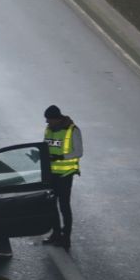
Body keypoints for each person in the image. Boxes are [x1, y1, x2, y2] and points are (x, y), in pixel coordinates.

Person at [40, 105, 82, 252]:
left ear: (57, 119)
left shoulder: (72, 130)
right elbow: (45, 148)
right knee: (51, 205)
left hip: (65, 174)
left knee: (64, 206)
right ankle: (56, 233)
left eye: (49, 120)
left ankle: (66, 238)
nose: (47, 123)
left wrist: (60, 157)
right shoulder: (48, 130)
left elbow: (78, 152)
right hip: (51, 174)